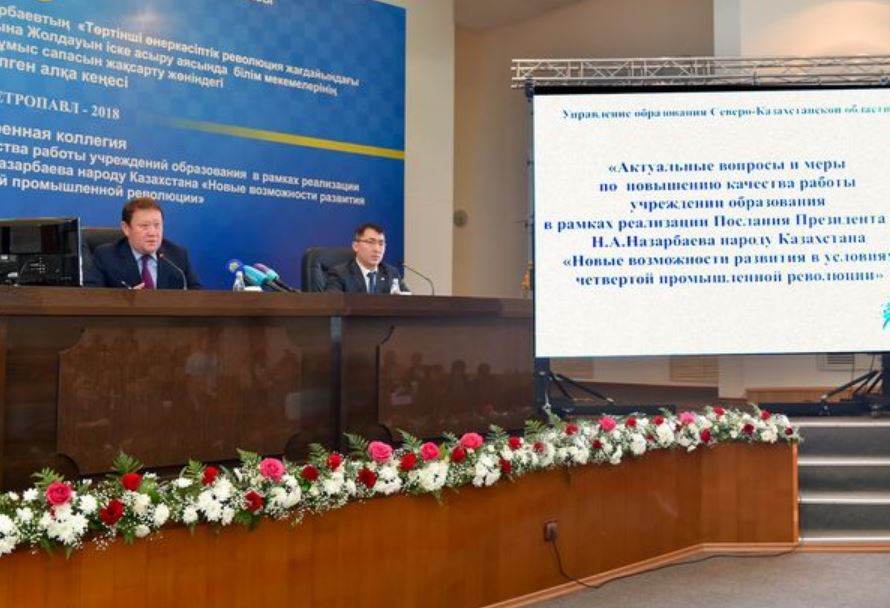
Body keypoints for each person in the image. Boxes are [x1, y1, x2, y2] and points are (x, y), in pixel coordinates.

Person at [83, 197, 202, 289]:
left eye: (157, 225)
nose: (152, 233)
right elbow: (91, 296)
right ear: (126, 228)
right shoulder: (106, 256)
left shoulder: (177, 257)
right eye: (144, 226)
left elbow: (197, 297)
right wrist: (125, 301)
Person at [324, 222, 408, 294]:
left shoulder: (391, 273)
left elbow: (408, 301)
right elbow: (333, 304)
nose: (377, 249)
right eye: (371, 242)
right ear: (355, 246)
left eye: (381, 244)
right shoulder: (339, 274)